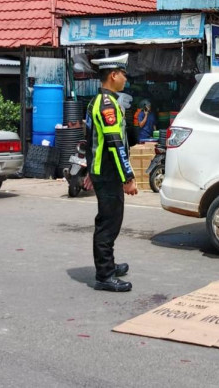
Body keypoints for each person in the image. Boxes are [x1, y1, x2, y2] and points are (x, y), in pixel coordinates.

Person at [84, 53, 138, 292]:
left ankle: (110, 265)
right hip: (109, 172)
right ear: (113, 75)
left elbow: (90, 140)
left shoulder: (99, 101)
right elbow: (115, 144)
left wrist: (89, 169)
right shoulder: (107, 105)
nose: (126, 78)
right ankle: (104, 276)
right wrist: (128, 177)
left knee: (110, 220)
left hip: (101, 170)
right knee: (109, 223)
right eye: (123, 73)